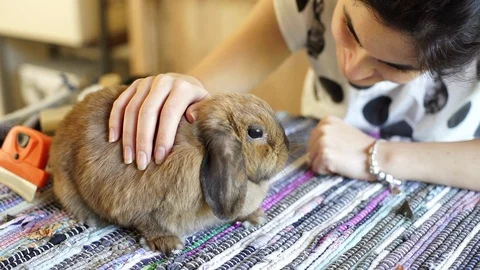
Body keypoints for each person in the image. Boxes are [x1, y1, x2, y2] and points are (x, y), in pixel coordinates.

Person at [108, 0, 480, 191]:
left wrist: (378, 156)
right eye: (348, 27)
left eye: (394, 65)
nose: (352, 70)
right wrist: (180, 85)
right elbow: (202, 89)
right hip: (318, 161)